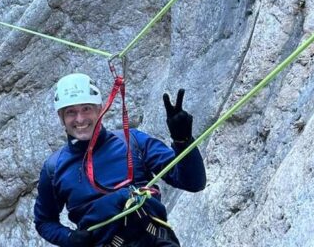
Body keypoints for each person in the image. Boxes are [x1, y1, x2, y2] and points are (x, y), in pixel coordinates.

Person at [34, 73, 206, 247]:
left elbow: (193, 182)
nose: (80, 119)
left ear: (100, 109)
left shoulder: (133, 142)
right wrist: (69, 238)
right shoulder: (54, 169)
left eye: (86, 108)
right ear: (61, 117)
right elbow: (44, 222)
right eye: (71, 112)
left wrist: (183, 141)